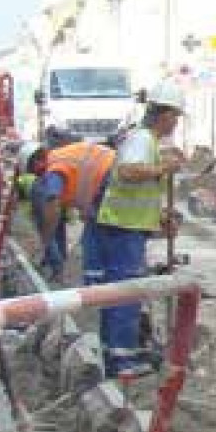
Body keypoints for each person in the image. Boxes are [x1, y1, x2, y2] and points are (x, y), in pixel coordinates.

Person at [84, 80, 185, 378]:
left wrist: (159, 216)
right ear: (164, 115)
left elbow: (139, 191)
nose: (176, 123)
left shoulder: (145, 141)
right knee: (127, 293)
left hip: (127, 227)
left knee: (118, 293)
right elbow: (129, 172)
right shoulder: (142, 140)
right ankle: (122, 360)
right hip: (122, 230)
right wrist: (163, 169)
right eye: (175, 117)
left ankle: (114, 351)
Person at [19, 139, 116, 283]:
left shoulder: (53, 170)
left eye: (34, 172)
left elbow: (53, 204)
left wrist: (45, 238)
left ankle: (96, 284)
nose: (38, 177)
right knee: (98, 237)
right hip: (113, 169)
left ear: (36, 163)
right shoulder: (59, 156)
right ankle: (100, 281)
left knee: (93, 241)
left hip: (109, 176)